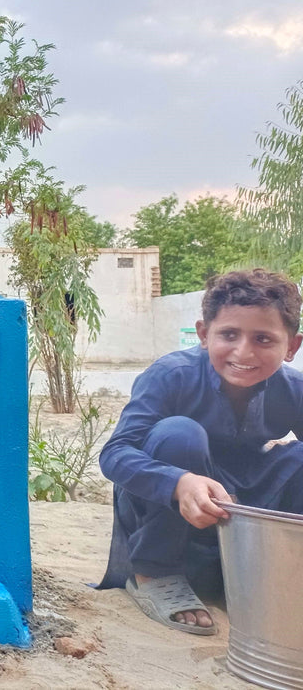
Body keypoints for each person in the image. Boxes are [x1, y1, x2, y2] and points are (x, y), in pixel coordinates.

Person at [98, 268, 303, 635]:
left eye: (263, 339)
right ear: (204, 334)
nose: (244, 352)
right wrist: (178, 482)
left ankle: (273, 572)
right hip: (168, 505)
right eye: (229, 334)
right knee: (180, 434)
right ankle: (154, 574)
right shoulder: (170, 374)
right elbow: (115, 453)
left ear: (291, 347)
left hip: (240, 502)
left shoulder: (294, 390)